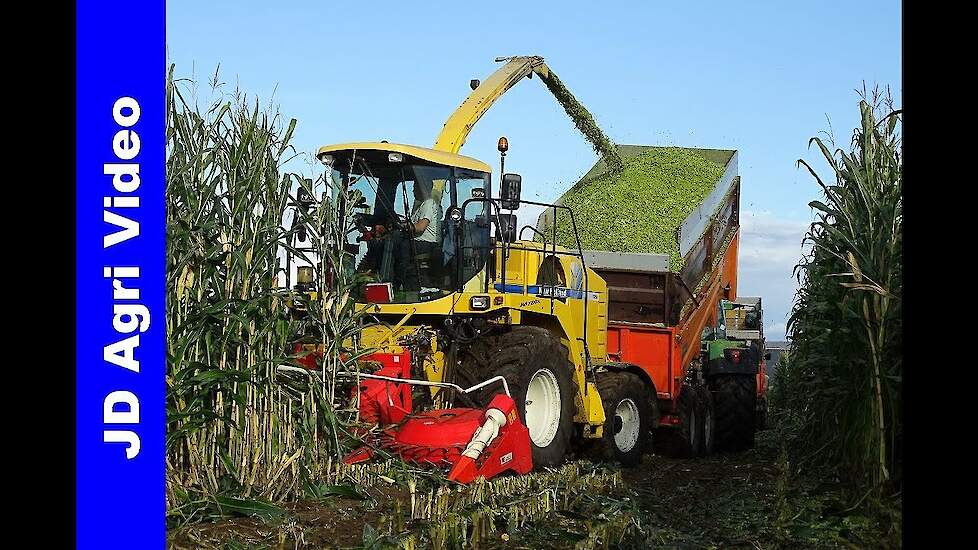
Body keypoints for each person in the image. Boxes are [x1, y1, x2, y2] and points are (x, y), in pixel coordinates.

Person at [392, 177, 442, 290]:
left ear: (423, 188)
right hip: (421, 243)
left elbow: (420, 227)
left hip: (426, 244)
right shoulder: (421, 205)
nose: (413, 191)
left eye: (415, 188)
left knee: (400, 245)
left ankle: (397, 281)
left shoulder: (428, 203)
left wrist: (402, 227)